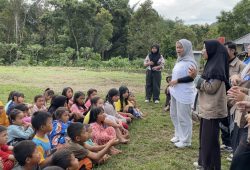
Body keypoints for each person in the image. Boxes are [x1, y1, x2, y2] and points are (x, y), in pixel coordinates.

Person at [190, 40, 229, 170]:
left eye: (204, 48)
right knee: (204, 139)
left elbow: (211, 88)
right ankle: (203, 163)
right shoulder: (211, 65)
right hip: (207, 109)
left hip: (212, 111)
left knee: (210, 141)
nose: (202, 51)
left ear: (212, 51)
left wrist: (196, 77)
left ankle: (210, 166)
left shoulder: (218, 68)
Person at [169, 39, 197, 148]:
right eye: (177, 47)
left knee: (183, 117)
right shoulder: (180, 60)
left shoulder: (190, 62)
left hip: (184, 93)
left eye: (180, 47)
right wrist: (171, 81)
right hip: (176, 92)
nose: (178, 50)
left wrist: (177, 81)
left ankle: (186, 141)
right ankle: (178, 135)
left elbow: (191, 78)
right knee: (174, 114)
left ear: (186, 48)